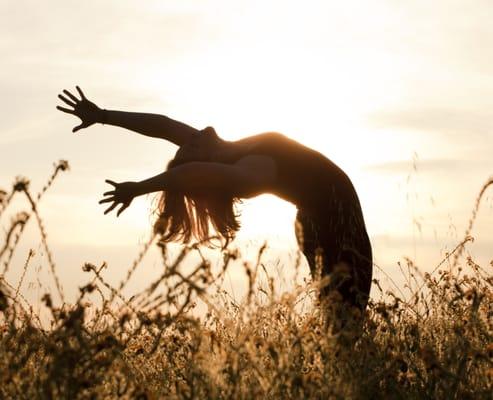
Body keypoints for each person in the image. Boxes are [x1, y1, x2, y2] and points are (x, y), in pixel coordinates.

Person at [57, 86, 373, 319]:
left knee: (341, 321)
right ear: (206, 167)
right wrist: (138, 188)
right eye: (190, 146)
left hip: (323, 218)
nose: (190, 137)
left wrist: (103, 116)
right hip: (336, 226)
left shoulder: (228, 151)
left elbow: (164, 126)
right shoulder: (249, 173)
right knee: (343, 326)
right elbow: (190, 173)